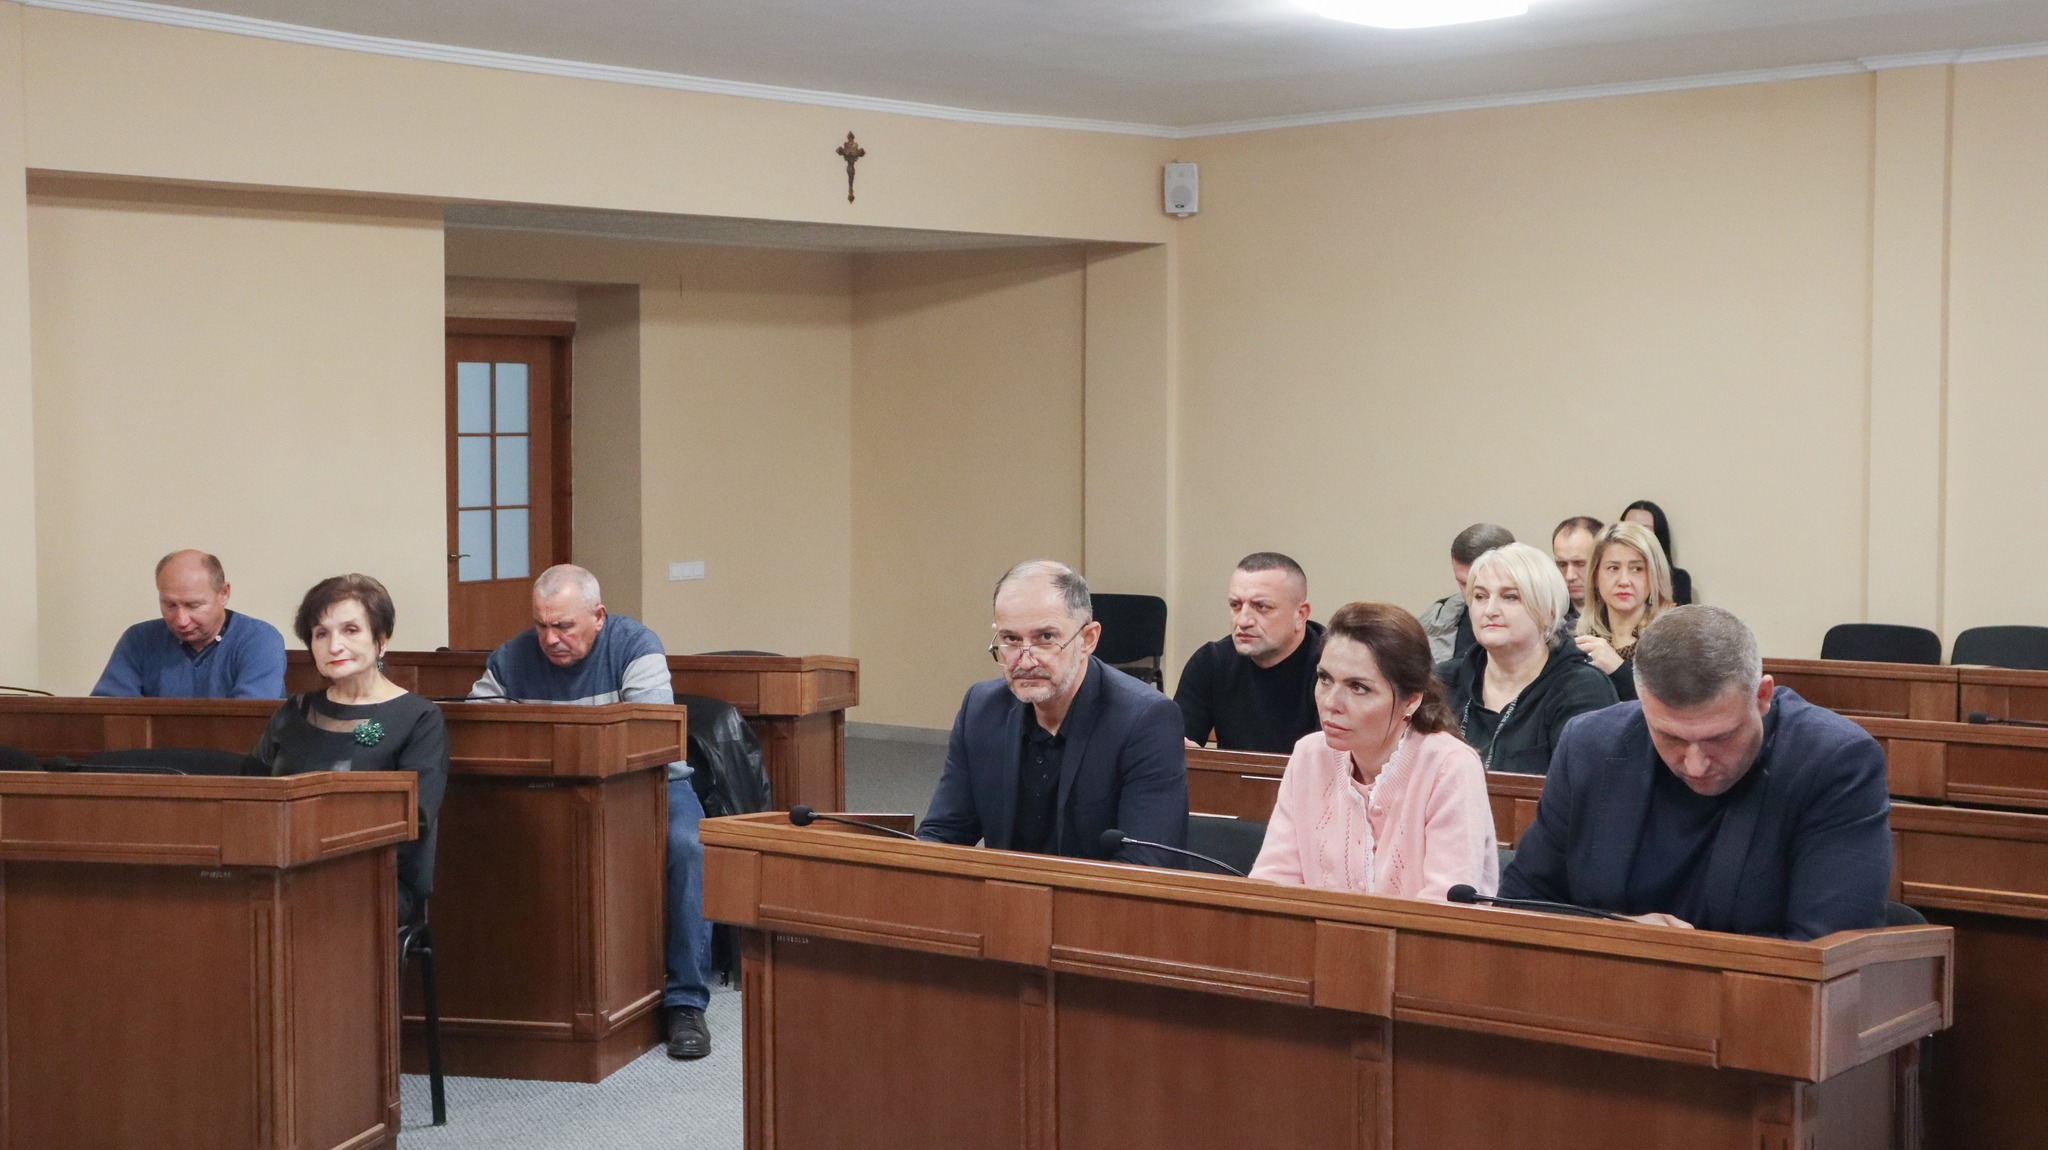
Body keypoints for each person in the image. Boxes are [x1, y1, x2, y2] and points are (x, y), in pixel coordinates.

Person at [1501, 606, 1890, 939]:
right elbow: (1521, 903)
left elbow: (1826, 954)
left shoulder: (1834, 763)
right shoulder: (1590, 746)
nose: (1695, 764)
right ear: (1642, 702)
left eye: (1719, 738)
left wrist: (1674, 955)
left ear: (1762, 696)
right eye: (1670, 737)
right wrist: (1617, 932)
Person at [469, 565, 714, 1062]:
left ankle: (686, 1002)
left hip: (652, 787)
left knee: (689, 848)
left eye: (564, 626)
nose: (550, 639)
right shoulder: (511, 658)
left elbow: (649, 743)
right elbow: (479, 731)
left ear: (598, 617)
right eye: (541, 625)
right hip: (550, 793)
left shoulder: (636, 646)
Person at [919, 560, 1188, 867]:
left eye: (1045, 638)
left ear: (1088, 639)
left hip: (1100, 895)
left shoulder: (1146, 720)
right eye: (1011, 640)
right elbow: (943, 833)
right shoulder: (981, 709)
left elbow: (1143, 865)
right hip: (1007, 893)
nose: (1025, 661)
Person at [1250, 602, 1497, 899]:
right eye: (1325, 679)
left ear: (1412, 700)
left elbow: (1445, 909)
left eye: (1358, 687)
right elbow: (1270, 889)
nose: (1331, 702)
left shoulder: (1450, 767)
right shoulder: (1309, 756)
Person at [250, 575, 448, 926]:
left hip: (373, 879)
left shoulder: (419, 718)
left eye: (351, 630)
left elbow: (414, 817)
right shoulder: (292, 713)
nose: (334, 646)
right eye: (321, 634)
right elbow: (250, 793)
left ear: (381, 641)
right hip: (283, 871)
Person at [1441, 543, 1618, 774]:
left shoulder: (1582, 689)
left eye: (1510, 597)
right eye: (1480, 596)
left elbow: (1584, 786)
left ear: (1548, 613)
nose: (1490, 610)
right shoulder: (1442, 682)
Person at [1173, 552, 1323, 752]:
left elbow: (1335, 762)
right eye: (1236, 605)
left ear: (1300, 615)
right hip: (1230, 775)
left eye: (1261, 607)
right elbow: (1177, 747)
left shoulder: (1330, 668)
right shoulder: (1211, 662)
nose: (1243, 621)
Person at [92, 549, 286, 698]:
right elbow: (109, 711)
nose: (181, 620)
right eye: (169, 605)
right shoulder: (139, 640)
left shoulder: (259, 640)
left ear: (224, 593)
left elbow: (249, 719)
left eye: (193, 605)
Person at [1574, 522, 1676, 701]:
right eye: (1613, 568)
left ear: (1654, 577)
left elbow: (1669, 709)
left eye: (1637, 569)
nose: (1624, 581)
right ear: (1595, 576)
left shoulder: (1670, 643)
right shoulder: (1578, 640)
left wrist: (1618, 669)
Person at [1419, 523, 1515, 665]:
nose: (1471, 593)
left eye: (1481, 584)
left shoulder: (1539, 623)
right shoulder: (1434, 625)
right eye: (1463, 583)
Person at [1621, 499, 1693, 605]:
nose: (1636, 535)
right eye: (1630, 528)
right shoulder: (1609, 574)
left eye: (1645, 530)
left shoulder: (1678, 579)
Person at [1550, 516, 1602, 623]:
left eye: (1580, 563)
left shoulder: (1622, 612)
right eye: (1562, 564)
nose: (1569, 576)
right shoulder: (1547, 614)